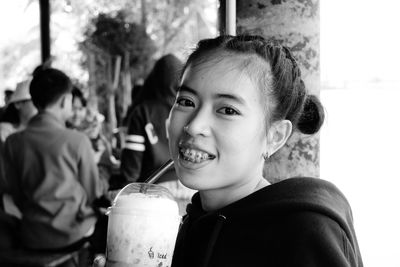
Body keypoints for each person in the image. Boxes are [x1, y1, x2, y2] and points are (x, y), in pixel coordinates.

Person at [94, 35, 363, 267]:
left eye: (227, 110)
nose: (194, 126)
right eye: (186, 101)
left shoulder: (302, 234)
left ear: (275, 136)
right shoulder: (186, 226)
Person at [2, 67, 108, 251]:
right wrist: (104, 176)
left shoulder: (12, 142)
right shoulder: (77, 140)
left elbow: (15, 194)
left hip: (31, 236)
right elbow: (93, 193)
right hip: (72, 234)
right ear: (65, 100)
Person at [116, 54, 183, 188]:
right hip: (190, 188)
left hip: (155, 191)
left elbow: (131, 168)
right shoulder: (189, 110)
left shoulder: (143, 111)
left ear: (153, 79)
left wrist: (123, 189)